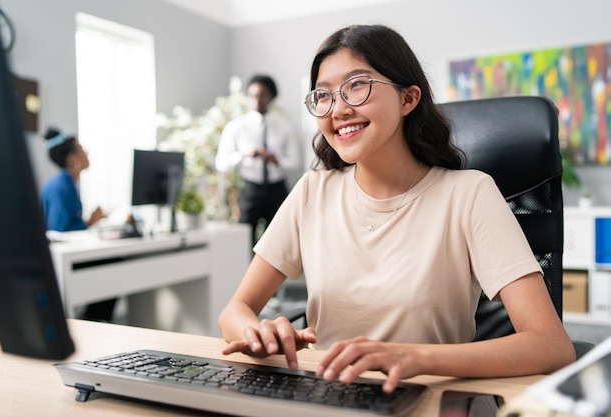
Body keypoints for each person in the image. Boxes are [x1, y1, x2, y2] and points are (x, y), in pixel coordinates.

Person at [218, 24, 575, 393]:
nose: (338, 108)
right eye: (323, 95)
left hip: (426, 398)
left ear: (408, 99)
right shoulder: (312, 191)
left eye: (357, 85)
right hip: (327, 398)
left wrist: (415, 359)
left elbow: (550, 344)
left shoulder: (470, 194)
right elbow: (234, 311)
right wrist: (258, 332)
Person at [215, 75, 300, 247]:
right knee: (243, 241)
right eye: (253, 95)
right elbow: (221, 163)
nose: (258, 100)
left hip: (277, 189)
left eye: (263, 95)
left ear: (271, 97)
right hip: (250, 189)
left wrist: (277, 160)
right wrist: (244, 155)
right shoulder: (236, 127)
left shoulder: (283, 127)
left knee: (279, 242)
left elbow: (295, 163)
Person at [41, 127, 115, 322]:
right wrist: (89, 222)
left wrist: (91, 221)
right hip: (61, 260)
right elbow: (59, 229)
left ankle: (96, 318)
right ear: (72, 159)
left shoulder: (68, 184)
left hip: (71, 254)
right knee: (112, 266)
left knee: (114, 263)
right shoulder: (59, 187)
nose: (87, 153)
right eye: (82, 149)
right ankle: (94, 319)